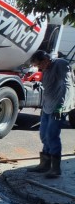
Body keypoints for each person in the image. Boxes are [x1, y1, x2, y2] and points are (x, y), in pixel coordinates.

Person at [28, 49, 74, 178]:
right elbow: (49, 84)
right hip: (48, 106)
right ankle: (45, 164)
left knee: (52, 136)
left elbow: (67, 86)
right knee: (44, 135)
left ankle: (55, 169)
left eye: (39, 64)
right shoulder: (46, 68)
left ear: (46, 60)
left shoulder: (61, 64)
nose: (39, 68)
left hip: (58, 107)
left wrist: (60, 106)